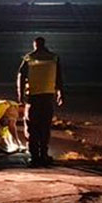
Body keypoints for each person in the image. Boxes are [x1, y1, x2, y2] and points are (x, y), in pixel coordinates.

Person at [17, 36, 64, 166]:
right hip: (48, 96)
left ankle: (34, 156)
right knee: (44, 126)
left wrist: (20, 95)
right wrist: (60, 93)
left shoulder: (29, 58)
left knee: (32, 126)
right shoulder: (54, 57)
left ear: (35, 45)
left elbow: (21, 76)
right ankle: (44, 155)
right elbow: (59, 76)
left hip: (33, 97)